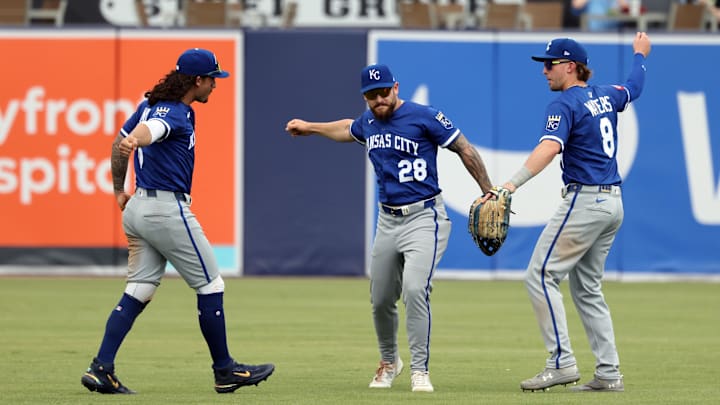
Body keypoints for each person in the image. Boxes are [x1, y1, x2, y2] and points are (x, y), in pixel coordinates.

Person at [285, 64, 494, 392]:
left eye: (384, 92)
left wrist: (487, 189)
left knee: (414, 289)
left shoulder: (425, 117)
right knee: (381, 297)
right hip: (388, 220)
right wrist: (310, 127)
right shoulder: (369, 121)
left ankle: (420, 369)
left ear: (396, 88)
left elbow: (464, 148)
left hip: (425, 216)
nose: (379, 99)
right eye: (371, 95)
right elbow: (346, 128)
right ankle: (388, 361)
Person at [80, 48, 275, 395]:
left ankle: (101, 368)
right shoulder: (175, 113)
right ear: (197, 81)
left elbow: (117, 143)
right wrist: (135, 141)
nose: (215, 85)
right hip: (165, 210)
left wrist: (118, 190)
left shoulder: (151, 103)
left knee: (139, 290)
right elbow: (145, 133)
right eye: (213, 79)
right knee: (211, 286)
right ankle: (225, 370)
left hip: (138, 208)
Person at [501, 33, 651, 392]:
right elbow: (634, 86)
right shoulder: (606, 95)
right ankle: (609, 374)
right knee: (586, 288)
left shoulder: (564, 104)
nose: (544, 71)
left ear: (570, 67)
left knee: (539, 276)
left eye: (549, 64)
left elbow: (550, 147)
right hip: (613, 203)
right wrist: (640, 55)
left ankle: (561, 363)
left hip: (585, 201)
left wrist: (510, 185)